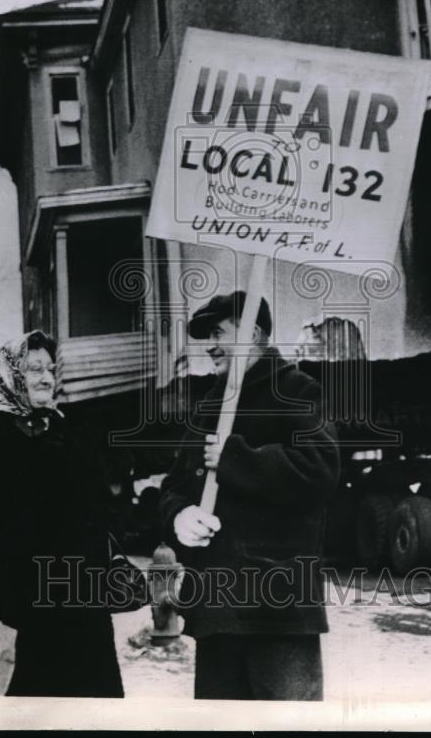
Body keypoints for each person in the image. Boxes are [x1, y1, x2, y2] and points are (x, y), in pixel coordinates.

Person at [159, 291, 340, 701]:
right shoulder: (210, 406)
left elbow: (320, 469)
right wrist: (178, 516)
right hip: (217, 613)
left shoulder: (297, 389)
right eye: (206, 336)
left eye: (218, 332)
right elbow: (174, 486)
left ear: (254, 332)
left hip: (277, 613)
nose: (211, 346)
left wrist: (235, 458)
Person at [0, 331, 124, 697]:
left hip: (78, 615)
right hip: (9, 616)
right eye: (34, 368)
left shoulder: (71, 433)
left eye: (51, 369)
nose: (47, 378)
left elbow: (100, 516)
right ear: (9, 373)